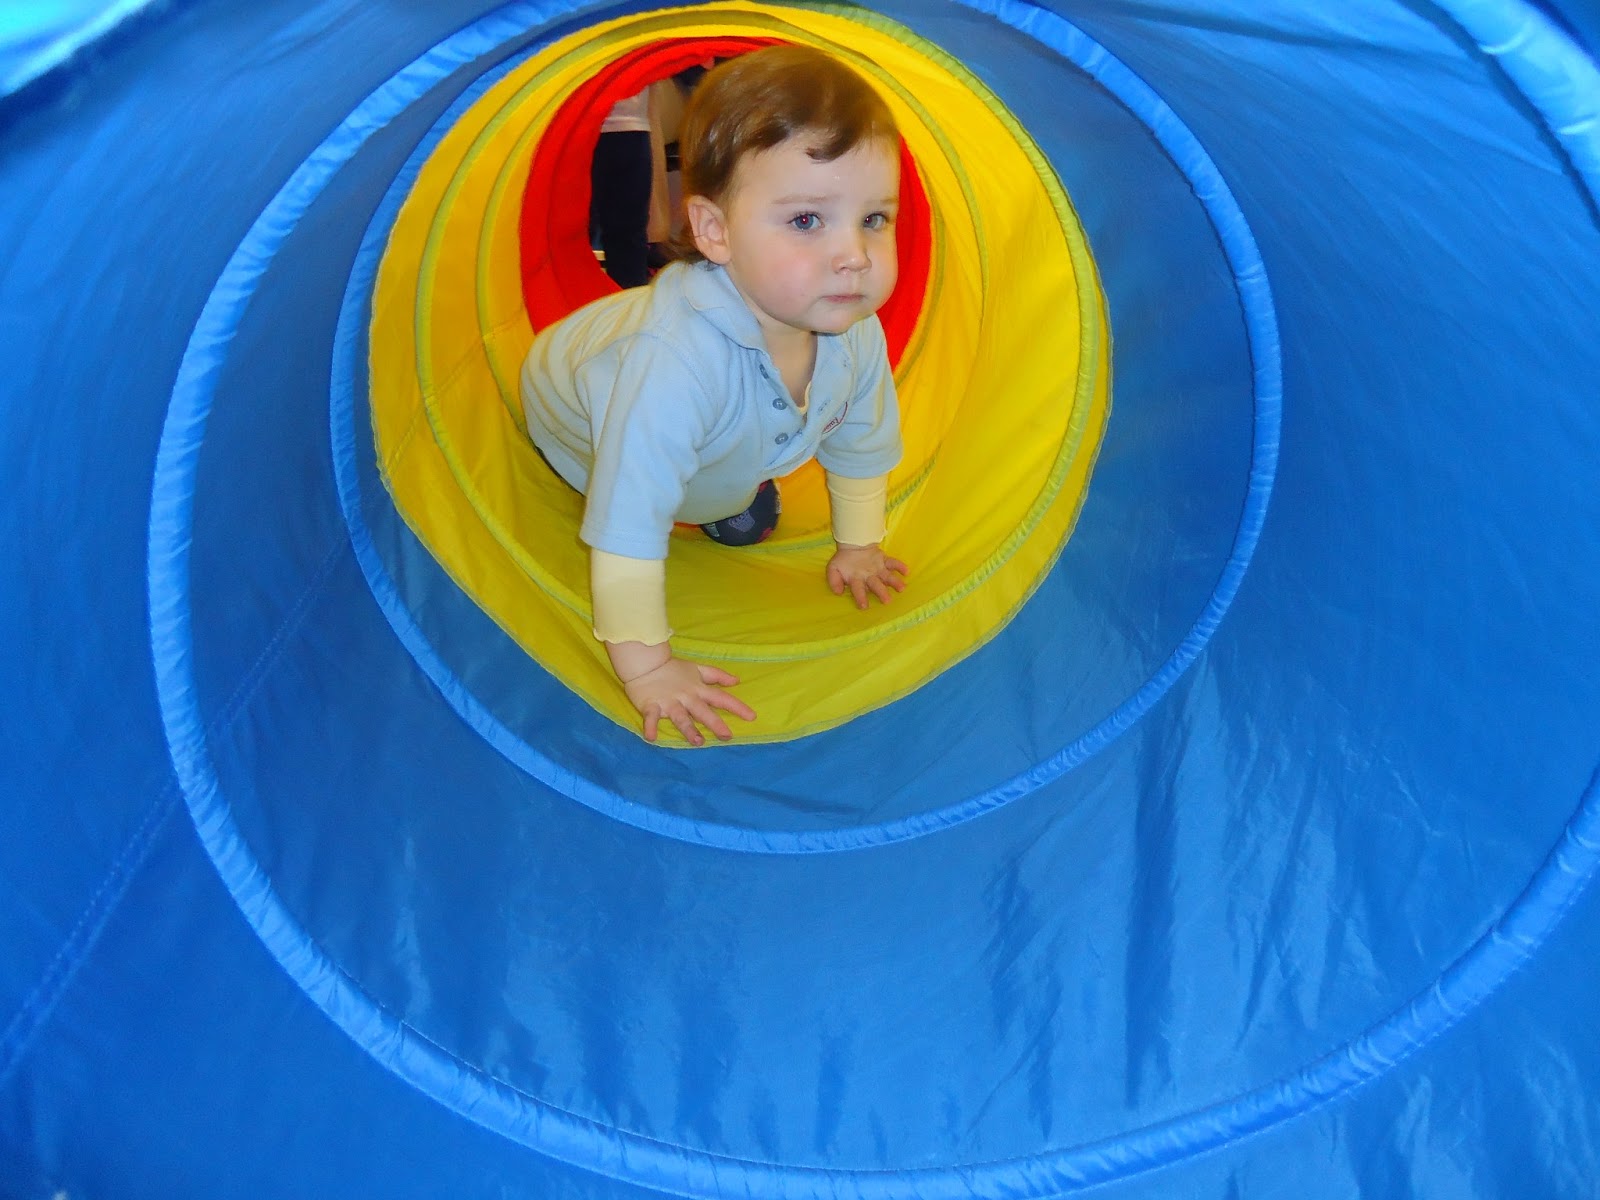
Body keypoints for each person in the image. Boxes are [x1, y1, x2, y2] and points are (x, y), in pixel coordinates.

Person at [520, 45, 908, 746]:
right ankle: (664, 482)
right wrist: (647, 670)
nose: (855, 254)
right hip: (575, 407)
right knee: (648, 472)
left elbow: (862, 436)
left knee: (734, 500)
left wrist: (859, 546)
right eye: (807, 221)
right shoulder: (674, 367)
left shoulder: (853, 329)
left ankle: (721, 494)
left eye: (875, 219)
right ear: (714, 232)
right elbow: (628, 524)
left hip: (716, 427)